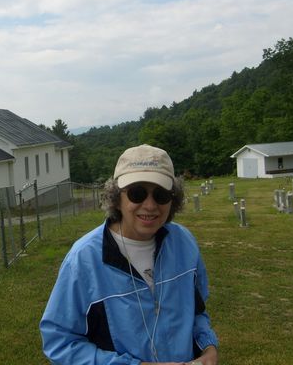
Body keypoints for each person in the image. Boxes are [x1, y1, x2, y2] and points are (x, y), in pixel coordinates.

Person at [40, 144, 219, 365]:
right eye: (137, 193)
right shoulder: (83, 259)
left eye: (161, 195)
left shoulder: (184, 243)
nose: (150, 205)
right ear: (117, 197)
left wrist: (208, 347)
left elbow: (197, 311)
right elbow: (59, 341)